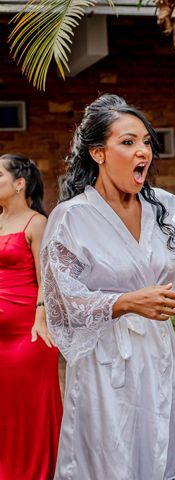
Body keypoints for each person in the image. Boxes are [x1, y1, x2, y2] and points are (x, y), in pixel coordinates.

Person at [41, 94, 175, 480]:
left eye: (146, 142)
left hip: (158, 356)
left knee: (164, 448)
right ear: (98, 153)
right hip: (105, 365)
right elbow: (64, 303)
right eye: (128, 142)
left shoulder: (166, 207)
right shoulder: (71, 219)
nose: (143, 151)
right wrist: (125, 302)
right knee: (111, 457)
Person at [0, 153, 62, 480]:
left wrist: (41, 317)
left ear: (19, 183)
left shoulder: (37, 223)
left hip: (28, 336)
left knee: (28, 412)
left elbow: (47, 279)